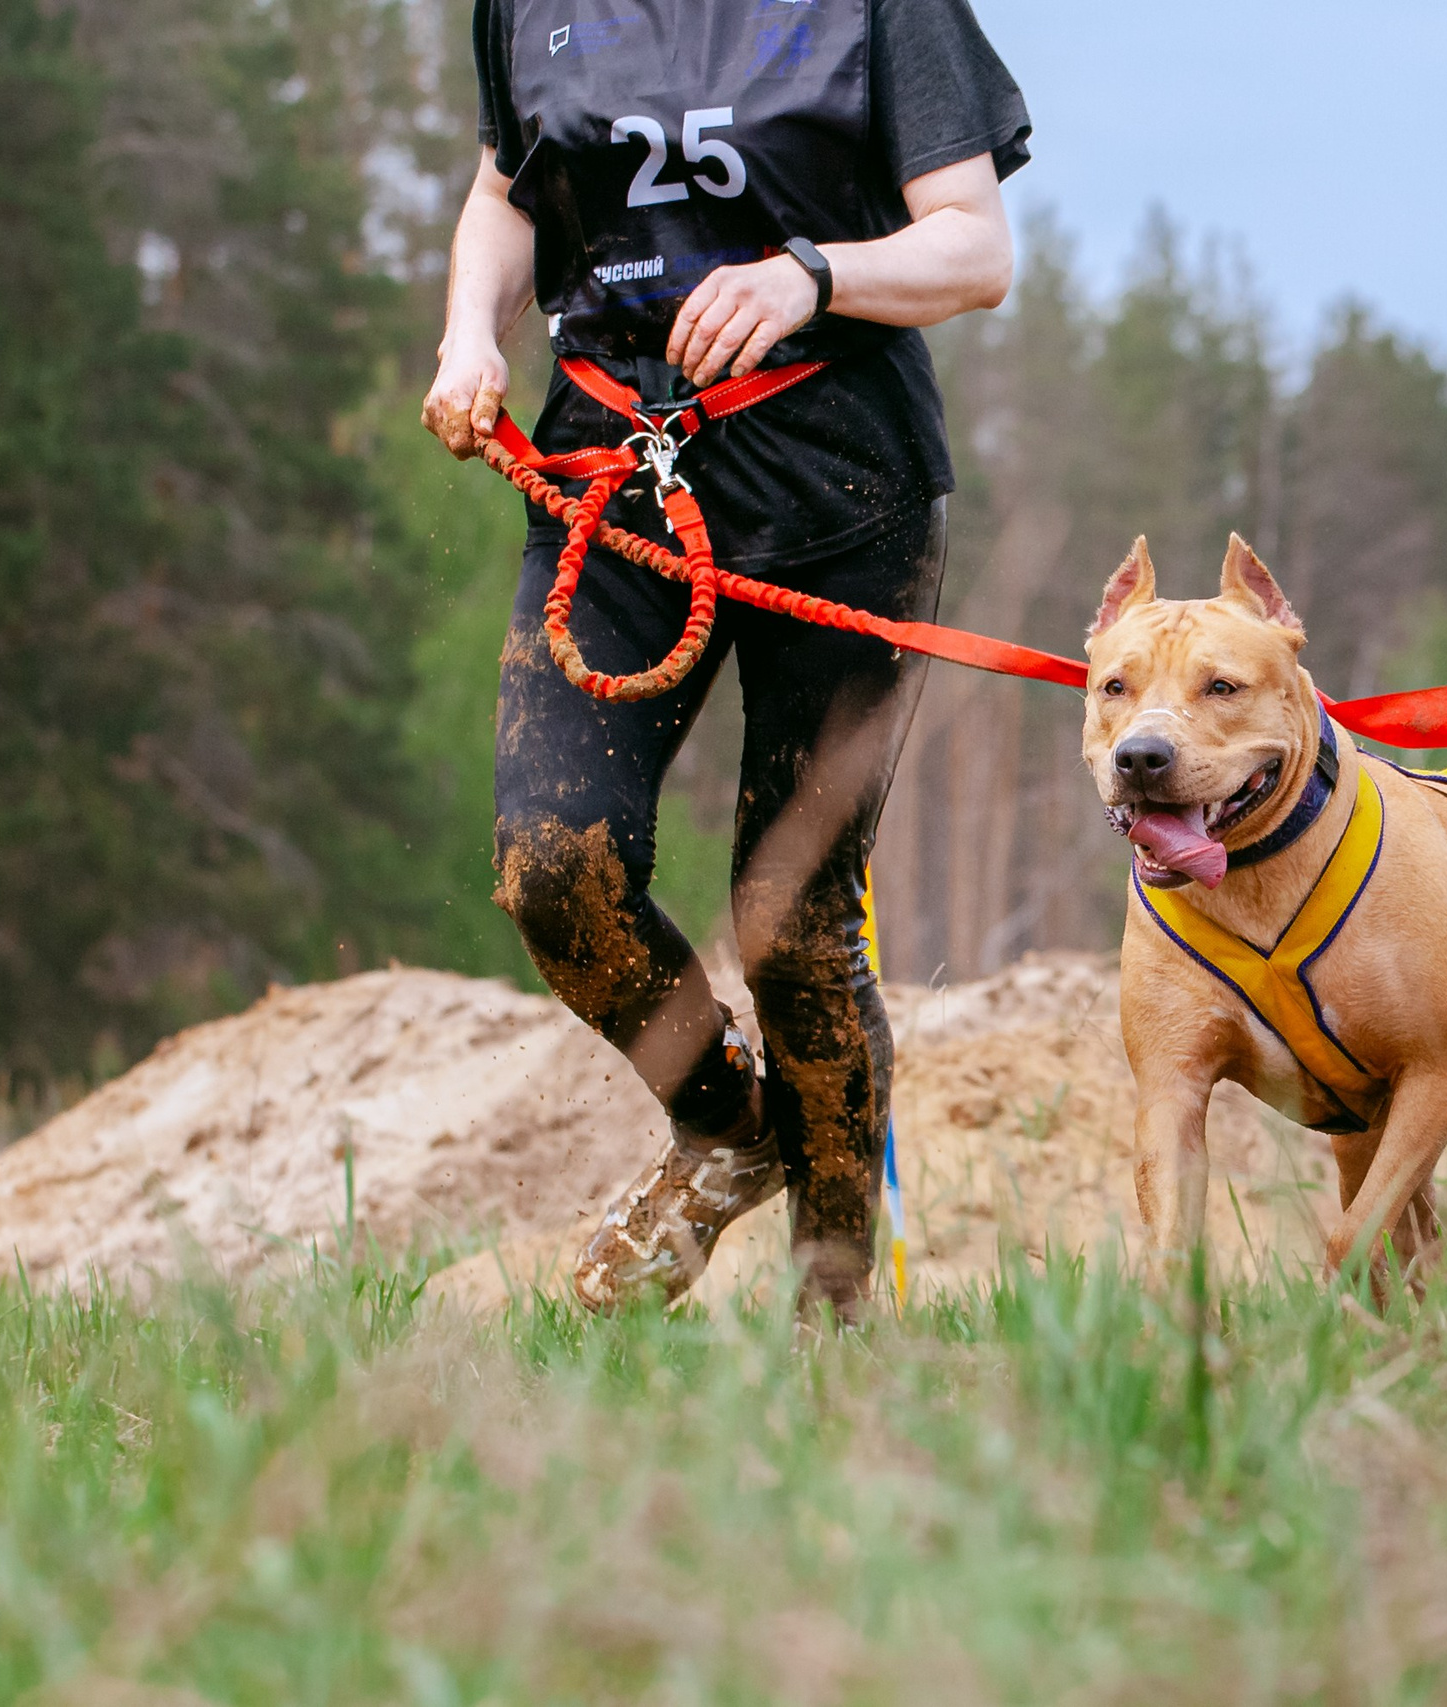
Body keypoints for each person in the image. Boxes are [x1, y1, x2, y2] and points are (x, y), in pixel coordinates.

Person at [421, 0, 1028, 1319]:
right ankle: (726, 1123)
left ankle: (836, 1316)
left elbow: (976, 252)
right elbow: (503, 191)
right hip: (608, 479)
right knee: (550, 865)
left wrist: (805, 276)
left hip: (840, 489)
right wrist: (473, 330)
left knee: (790, 916)